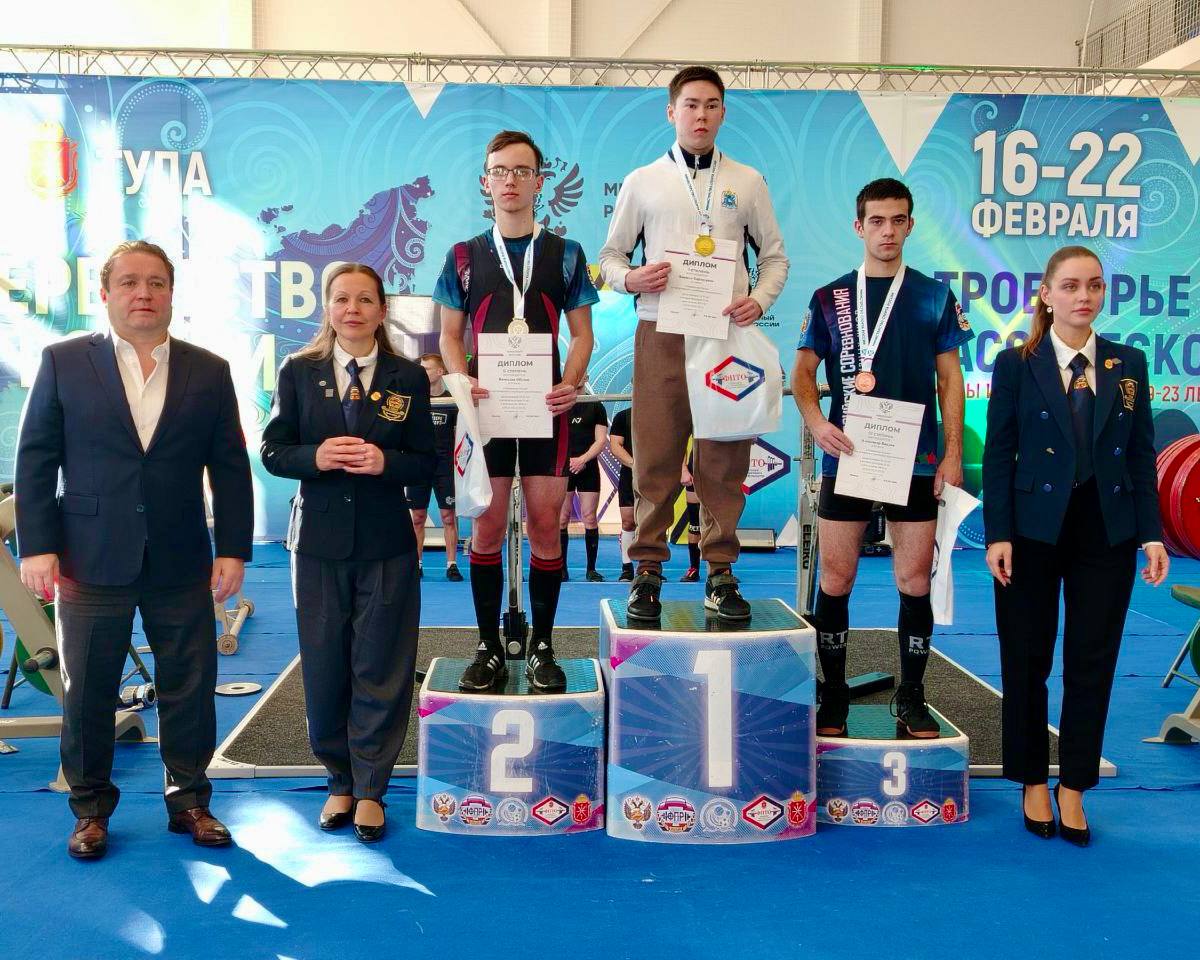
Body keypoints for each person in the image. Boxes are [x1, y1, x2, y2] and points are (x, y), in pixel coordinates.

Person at [15, 240, 254, 860]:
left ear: (171, 293)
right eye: (128, 283)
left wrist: (233, 548)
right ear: (105, 293)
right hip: (89, 556)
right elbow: (36, 459)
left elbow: (230, 467)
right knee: (88, 692)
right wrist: (38, 546)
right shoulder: (64, 361)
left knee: (190, 686)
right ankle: (90, 809)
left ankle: (190, 801)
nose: (143, 294)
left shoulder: (209, 369)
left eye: (155, 283)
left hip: (181, 556)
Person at [982, 244, 1168, 846]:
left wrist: (1151, 533)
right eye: (1069, 285)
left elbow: (1140, 455)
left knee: (1093, 660)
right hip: (1031, 530)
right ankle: (1034, 780)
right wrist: (998, 534)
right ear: (1046, 294)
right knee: (1026, 658)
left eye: (1093, 285)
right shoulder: (1016, 364)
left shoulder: (1128, 363)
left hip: (1106, 529)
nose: (1083, 296)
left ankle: (1075, 787)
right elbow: (999, 453)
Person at [600, 64, 789, 623]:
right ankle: (647, 571)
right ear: (671, 112)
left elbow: (775, 257)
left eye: (710, 105)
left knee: (724, 456)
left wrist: (760, 300)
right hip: (660, 331)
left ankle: (720, 571)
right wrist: (632, 279)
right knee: (655, 455)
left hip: (725, 333)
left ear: (723, 113)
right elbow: (609, 258)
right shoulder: (643, 181)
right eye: (690, 105)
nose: (700, 115)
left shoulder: (747, 181)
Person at [261, 263, 435, 843]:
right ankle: (338, 779)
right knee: (324, 662)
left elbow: (426, 462)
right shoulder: (298, 370)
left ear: (382, 310)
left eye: (364, 299)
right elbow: (273, 450)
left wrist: (387, 463)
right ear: (328, 308)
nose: (352, 309)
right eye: (341, 299)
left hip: (386, 542)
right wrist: (314, 457)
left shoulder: (408, 377)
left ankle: (371, 788)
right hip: (317, 543)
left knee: (381, 664)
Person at [793, 178, 972, 739]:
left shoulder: (934, 296)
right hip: (847, 456)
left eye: (898, 220)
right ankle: (834, 695)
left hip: (915, 458)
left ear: (910, 225)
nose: (887, 231)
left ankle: (912, 695)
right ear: (859, 227)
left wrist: (953, 455)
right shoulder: (830, 298)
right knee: (837, 577)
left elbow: (950, 380)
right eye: (877, 221)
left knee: (913, 579)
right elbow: (802, 373)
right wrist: (816, 422)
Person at [437, 129, 597, 692]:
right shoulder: (463, 256)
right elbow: (449, 335)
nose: (510, 181)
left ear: (539, 182)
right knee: (485, 528)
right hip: (487, 411)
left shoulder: (567, 254)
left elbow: (583, 335)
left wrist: (571, 384)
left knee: (547, 527)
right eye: (500, 171)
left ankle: (543, 647)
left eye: (521, 171)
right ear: (486, 182)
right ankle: (487, 647)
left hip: (546, 410)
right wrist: (461, 379)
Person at [407, 353, 463, 581]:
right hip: (419, 466)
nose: (422, 373)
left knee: (448, 516)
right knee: (417, 517)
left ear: (440, 372)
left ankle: (452, 564)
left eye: (427, 369)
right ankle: (417, 563)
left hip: (444, 467)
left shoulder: (453, 402)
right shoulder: (414, 401)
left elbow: (462, 437)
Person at [559, 394, 609, 582]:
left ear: (586, 379)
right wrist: (567, 461)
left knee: (589, 517)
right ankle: (561, 569)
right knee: (562, 518)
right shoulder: (561, 403)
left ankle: (591, 570)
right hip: (564, 466)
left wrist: (582, 459)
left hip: (588, 467)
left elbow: (601, 440)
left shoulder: (595, 405)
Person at [608, 406, 636, 581]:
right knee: (628, 522)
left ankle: (652, 566)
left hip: (655, 475)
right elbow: (615, 446)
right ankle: (627, 566)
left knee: (654, 522)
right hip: (630, 474)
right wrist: (635, 465)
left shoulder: (659, 415)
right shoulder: (623, 416)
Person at [679, 447, 702, 582]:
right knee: (695, 523)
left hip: (720, 468)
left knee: (720, 523)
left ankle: (723, 568)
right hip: (696, 467)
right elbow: (682, 440)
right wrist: (683, 469)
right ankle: (694, 568)